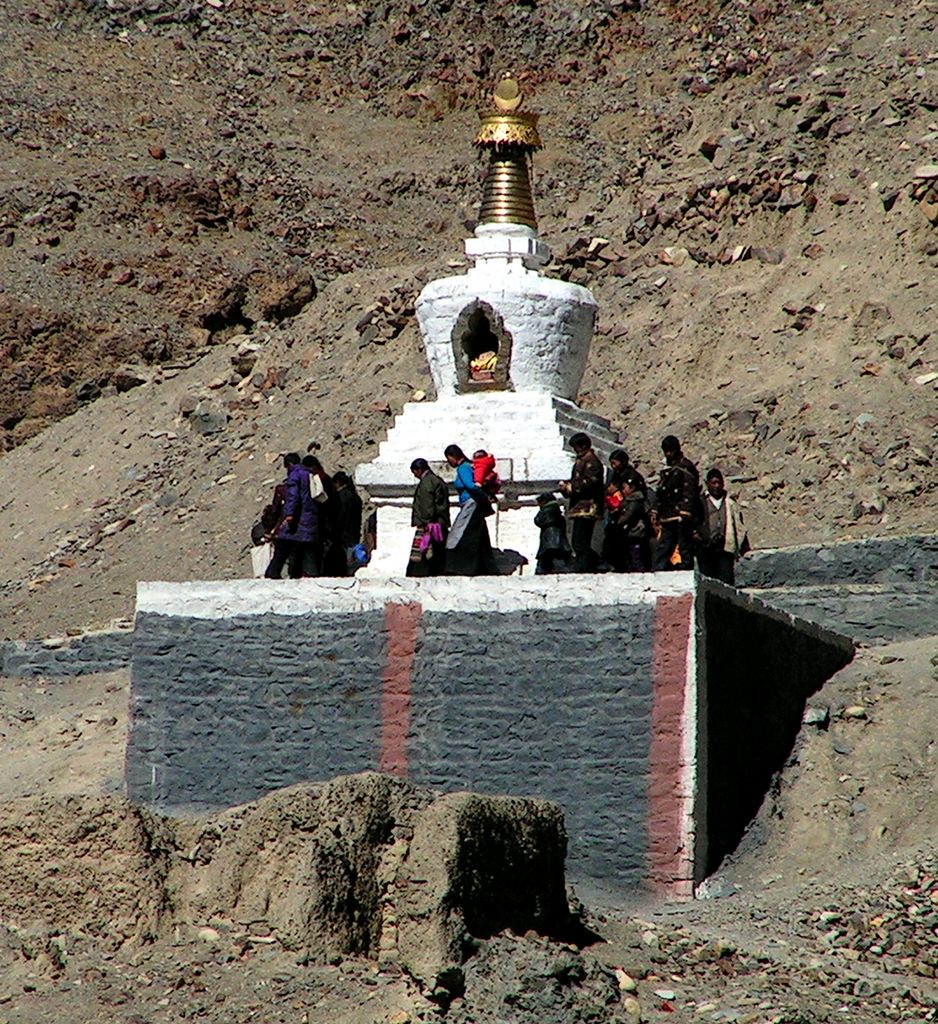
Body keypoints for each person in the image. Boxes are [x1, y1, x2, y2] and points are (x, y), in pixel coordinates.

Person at [443, 444, 498, 576]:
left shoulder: (463, 468)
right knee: (479, 536)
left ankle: (460, 567)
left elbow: (471, 486)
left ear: (453, 456)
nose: (448, 462)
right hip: (474, 504)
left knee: (459, 534)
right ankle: (486, 567)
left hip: (471, 504)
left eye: (448, 458)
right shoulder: (470, 466)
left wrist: (483, 498)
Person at [265, 453, 321, 579]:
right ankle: (313, 575)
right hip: (310, 518)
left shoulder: (295, 475)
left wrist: (289, 514)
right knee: (308, 549)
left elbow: (293, 496)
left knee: (283, 545)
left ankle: (273, 573)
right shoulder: (309, 474)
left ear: (288, 464)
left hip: (298, 519)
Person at [653, 435, 701, 571]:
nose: (668, 454)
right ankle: (659, 571)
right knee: (664, 546)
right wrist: (656, 510)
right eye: (666, 451)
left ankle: (686, 571)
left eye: (670, 451)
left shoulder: (685, 467)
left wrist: (685, 511)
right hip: (667, 515)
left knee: (684, 546)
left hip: (680, 515)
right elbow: (662, 492)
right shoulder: (668, 469)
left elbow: (689, 490)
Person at [559, 432, 604, 573]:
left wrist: (571, 487)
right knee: (577, 541)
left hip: (588, 507)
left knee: (581, 541)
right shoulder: (582, 461)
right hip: (579, 507)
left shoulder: (592, 462)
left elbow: (589, 483)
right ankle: (588, 564)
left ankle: (585, 567)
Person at [695, 468, 749, 585]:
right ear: (707, 483)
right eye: (714, 483)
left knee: (726, 581)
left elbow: (738, 525)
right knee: (708, 582)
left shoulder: (730, 502)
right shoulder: (700, 502)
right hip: (706, 549)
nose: (717, 486)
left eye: (719, 483)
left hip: (725, 548)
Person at [406, 458, 450, 577]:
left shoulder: (427, 483)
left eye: (414, 472)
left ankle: (421, 573)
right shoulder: (437, 480)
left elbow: (427, 505)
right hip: (440, 522)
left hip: (429, 524)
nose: (415, 475)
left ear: (419, 470)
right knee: (437, 550)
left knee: (424, 550)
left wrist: (426, 522)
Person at [324, 471, 364, 576]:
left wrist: (333, 531)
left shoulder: (339, 497)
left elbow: (340, 516)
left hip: (341, 534)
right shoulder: (356, 497)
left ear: (337, 483)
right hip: (353, 532)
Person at [534, 492, 572, 574]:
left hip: (550, 542)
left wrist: (540, 511)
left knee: (551, 561)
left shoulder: (547, 511)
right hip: (558, 541)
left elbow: (538, 521)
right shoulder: (556, 511)